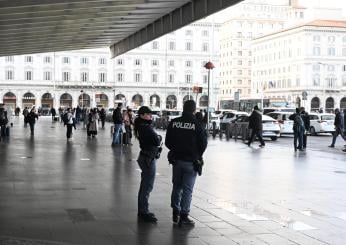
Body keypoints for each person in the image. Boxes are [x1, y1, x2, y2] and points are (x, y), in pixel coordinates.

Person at [165, 100, 208, 226]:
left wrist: (176, 149)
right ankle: (184, 216)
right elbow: (203, 144)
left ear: (183, 108)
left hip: (177, 160)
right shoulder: (197, 124)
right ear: (194, 110)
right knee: (187, 189)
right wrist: (197, 154)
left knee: (177, 186)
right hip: (191, 161)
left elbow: (168, 142)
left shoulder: (174, 122)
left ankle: (175, 211)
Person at [134, 106, 162, 223]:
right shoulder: (145, 127)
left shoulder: (142, 126)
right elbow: (156, 140)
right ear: (142, 115)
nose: (150, 115)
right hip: (148, 159)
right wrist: (158, 137)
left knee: (145, 185)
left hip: (145, 157)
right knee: (147, 186)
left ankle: (142, 210)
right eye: (148, 114)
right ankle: (143, 211)